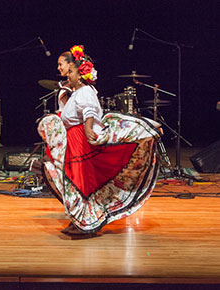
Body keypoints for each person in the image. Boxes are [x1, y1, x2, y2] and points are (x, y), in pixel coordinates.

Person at [37, 45, 161, 236]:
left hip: (79, 141)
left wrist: (87, 128)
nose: (66, 75)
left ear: (80, 73)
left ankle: (85, 222)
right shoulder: (75, 92)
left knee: (79, 181)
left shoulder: (85, 91)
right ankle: (79, 220)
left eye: (70, 71)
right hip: (72, 140)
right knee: (73, 181)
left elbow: (89, 111)